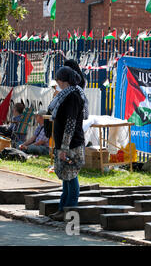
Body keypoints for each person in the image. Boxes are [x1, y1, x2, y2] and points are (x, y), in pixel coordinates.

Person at [47, 66, 89, 222]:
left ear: (62, 80)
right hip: (65, 145)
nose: (57, 82)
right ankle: (62, 208)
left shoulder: (73, 96)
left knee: (71, 177)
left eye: (58, 79)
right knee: (66, 177)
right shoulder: (66, 95)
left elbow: (70, 124)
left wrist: (64, 147)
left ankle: (69, 210)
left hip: (72, 145)